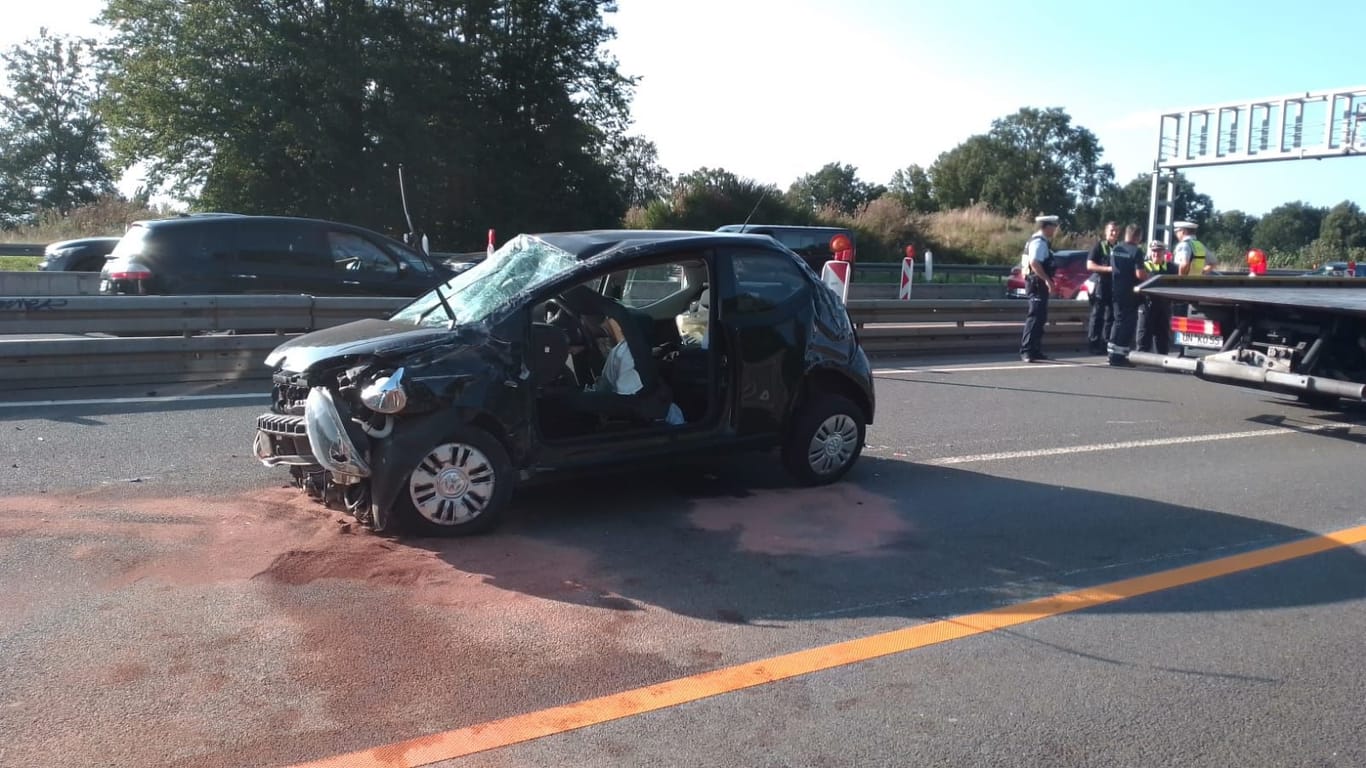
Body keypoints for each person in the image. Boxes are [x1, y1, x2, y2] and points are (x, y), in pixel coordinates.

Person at [1019, 214, 1060, 363]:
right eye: (1054, 226)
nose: (1055, 229)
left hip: (1037, 282)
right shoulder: (1039, 242)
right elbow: (1035, 263)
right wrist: (1048, 281)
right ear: (1047, 226)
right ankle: (1027, 350)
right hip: (1036, 283)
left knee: (1040, 317)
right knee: (1035, 317)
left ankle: (1035, 350)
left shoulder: (1039, 241)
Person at [1106, 224, 1148, 366]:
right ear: (1138, 237)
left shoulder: (1116, 249)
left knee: (1117, 321)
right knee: (1127, 324)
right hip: (1130, 292)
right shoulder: (1137, 251)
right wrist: (1150, 279)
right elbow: (1139, 274)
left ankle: (1111, 353)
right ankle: (1120, 356)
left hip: (1116, 290)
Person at [1085, 221, 1119, 354]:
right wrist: (1108, 269)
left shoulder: (1119, 248)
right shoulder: (1099, 246)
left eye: (1116, 230)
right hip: (1101, 284)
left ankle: (1106, 344)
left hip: (1114, 286)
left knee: (1111, 316)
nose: (1114, 233)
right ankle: (1093, 344)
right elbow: (1089, 265)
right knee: (1097, 315)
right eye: (1112, 230)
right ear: (1106, 232)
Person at [1136, 240, 1175, 354]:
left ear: (1164, 252)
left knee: (1162, 336)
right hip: (1147, 305)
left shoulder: (1171, 268)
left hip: (1164, 306)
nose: (1156, 254)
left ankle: (1162, 359)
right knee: (1143, 335)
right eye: (1153, 251)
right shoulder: (1144, 266)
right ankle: (1141, 358)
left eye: (1158, 251)